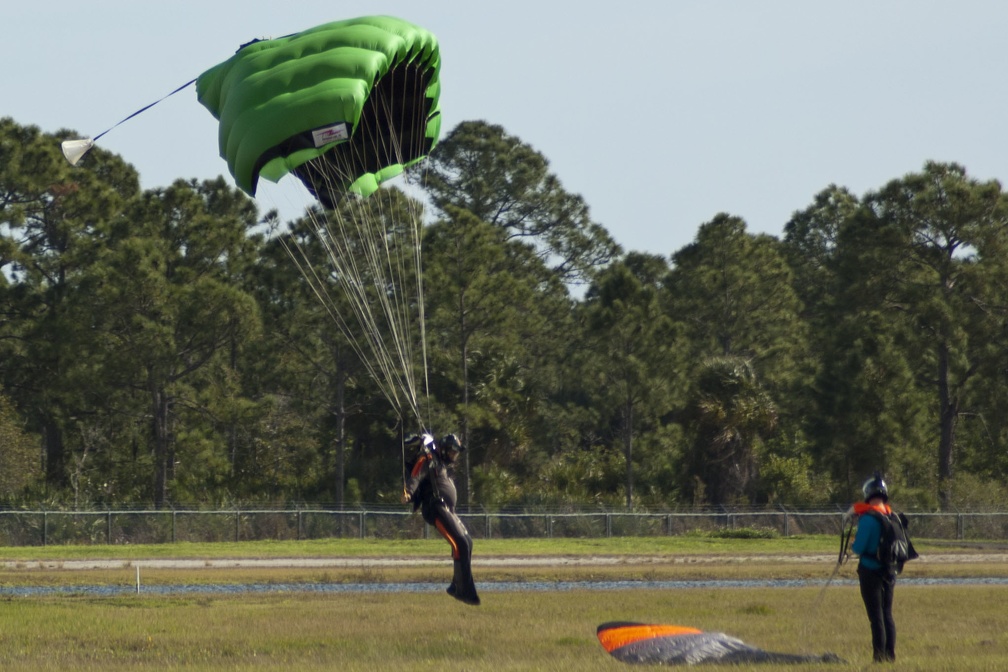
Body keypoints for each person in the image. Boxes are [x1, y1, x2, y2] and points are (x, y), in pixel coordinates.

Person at [401, 432, 480, 605]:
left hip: (447, 509)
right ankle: (464, 591)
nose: (454, 456)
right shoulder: (428, 458)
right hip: (435, 507)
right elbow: (415, 476)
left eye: (456, 453)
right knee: (460, 543)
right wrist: (408, 492)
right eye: (452, 452)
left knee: (467, 542)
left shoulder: (439, 463)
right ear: (444, 450)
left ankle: (455, 585)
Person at [849, 472, 904, 663]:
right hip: (890, 571)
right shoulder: (892, 517)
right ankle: (890, 655)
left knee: (876, 617)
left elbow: (859, 548)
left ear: (868, 493)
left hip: (870, 570)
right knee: (887, 613)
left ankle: (879, 657)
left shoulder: (868, 519)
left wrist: (851, 546)